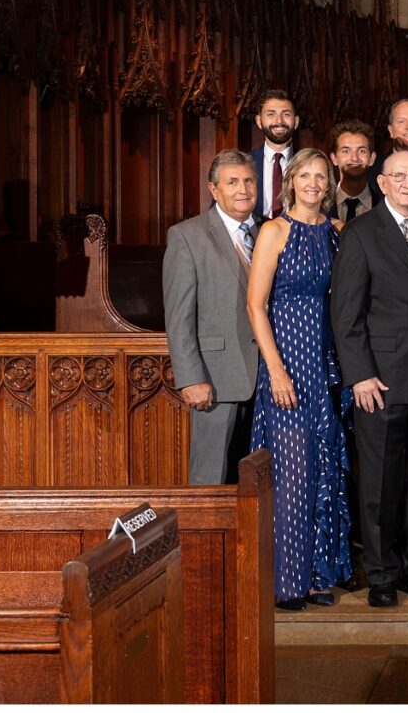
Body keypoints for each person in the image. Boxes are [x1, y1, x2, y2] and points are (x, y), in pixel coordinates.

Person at [329, 149, 408, 606]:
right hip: (380, 379)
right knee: (379, 482)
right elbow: (346, 314)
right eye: (398, 176)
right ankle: (381, 574)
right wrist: (359, 375)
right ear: (382, 183)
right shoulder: (361, 234)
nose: (407, 184)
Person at [246, 148, 349, 611]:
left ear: (330, 184)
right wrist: (276, 370)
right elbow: (255, 306)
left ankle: (316, 575)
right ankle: (285, 581)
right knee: (290, 473)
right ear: (291, 181)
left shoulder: (336, 233)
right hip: (286, 360)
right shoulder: (274, 231)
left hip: (323, 361)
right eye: (304, 175)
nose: (312, 183)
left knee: (322, 467)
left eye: (320, 176)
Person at [162, 151, 262, 486]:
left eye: (248, 180)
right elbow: (179, 316)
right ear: (213, 189)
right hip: (215, 380)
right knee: (211, 478)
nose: (243, 189)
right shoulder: (188, 236)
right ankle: (204, 541)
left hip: (266, 381)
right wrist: (190, 378)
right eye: (232, 182)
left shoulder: (268, 232)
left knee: (259, 480)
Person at [246, 90, 301, 219]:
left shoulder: (311, 164)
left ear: (296, 121)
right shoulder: (244, 163)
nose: (279, 121)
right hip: (255, 237)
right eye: (271, 114)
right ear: (259, 121)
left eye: (286, 114)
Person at [327, 121, 378, 223]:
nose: (354, 158)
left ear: (372, 158)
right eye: (346, 151)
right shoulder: (320, 205)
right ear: (334, 158)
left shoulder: (385, 206)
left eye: (361, 151)